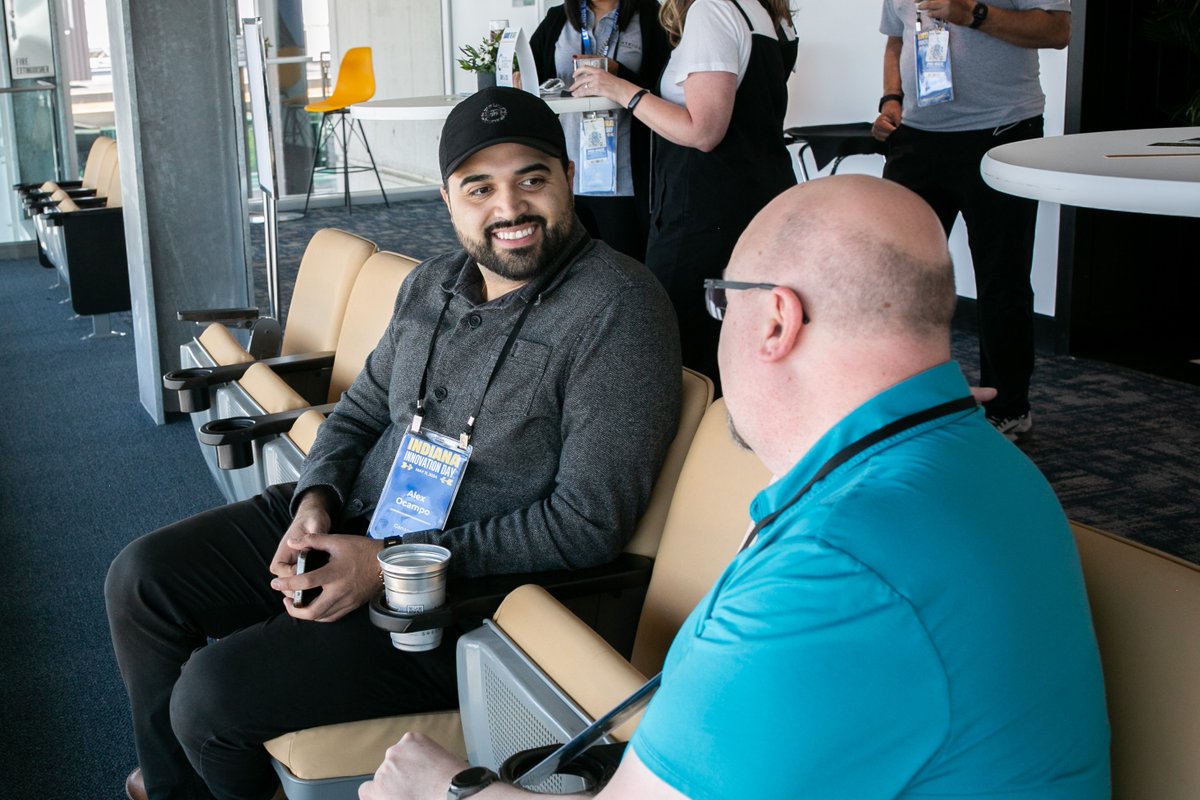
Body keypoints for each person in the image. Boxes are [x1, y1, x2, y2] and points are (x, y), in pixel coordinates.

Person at [357, 175, 1110, 800]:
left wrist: (444, 788)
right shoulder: (977, 464)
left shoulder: (842, 564)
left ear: (777, 319)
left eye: (723, 301)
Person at [104, 86, 682, 800]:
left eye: (532, 178)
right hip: (361, 518)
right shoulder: (433, 282)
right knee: (143, 581)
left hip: (465, 591)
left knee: (210, 699)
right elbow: (360, 411)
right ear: (447, 199)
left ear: (568, 177)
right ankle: (173, 790)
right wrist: (314, 500)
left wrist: (388, 566)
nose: (510, 208)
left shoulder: (619, 308)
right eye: (481, 187)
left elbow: (588, 523)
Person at [569, 0, 797, 388]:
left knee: (681, 350)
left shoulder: (712, 10)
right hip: (757, 203)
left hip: (706, 214)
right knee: (736, 344)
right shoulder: (766, 14)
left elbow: (703, 132)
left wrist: (621, 90)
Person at [871, 0, 1072, 440]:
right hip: (917, 141)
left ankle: (1008, 408)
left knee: (1002, 278)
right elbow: (896, 40)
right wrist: (892, 98)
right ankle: (896, 402)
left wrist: (975, 15)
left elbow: (1058, 31)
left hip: (1001, 134)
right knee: (893, 277)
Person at [529, 0, 670, 261]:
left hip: (626, 177)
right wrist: (519, 76)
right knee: (572, 269)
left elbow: (665, 87)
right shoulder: (558, 18)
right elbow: (533, 72)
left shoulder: (652, 16)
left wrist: (617, 72)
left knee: (627, 266)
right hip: (570, 173)